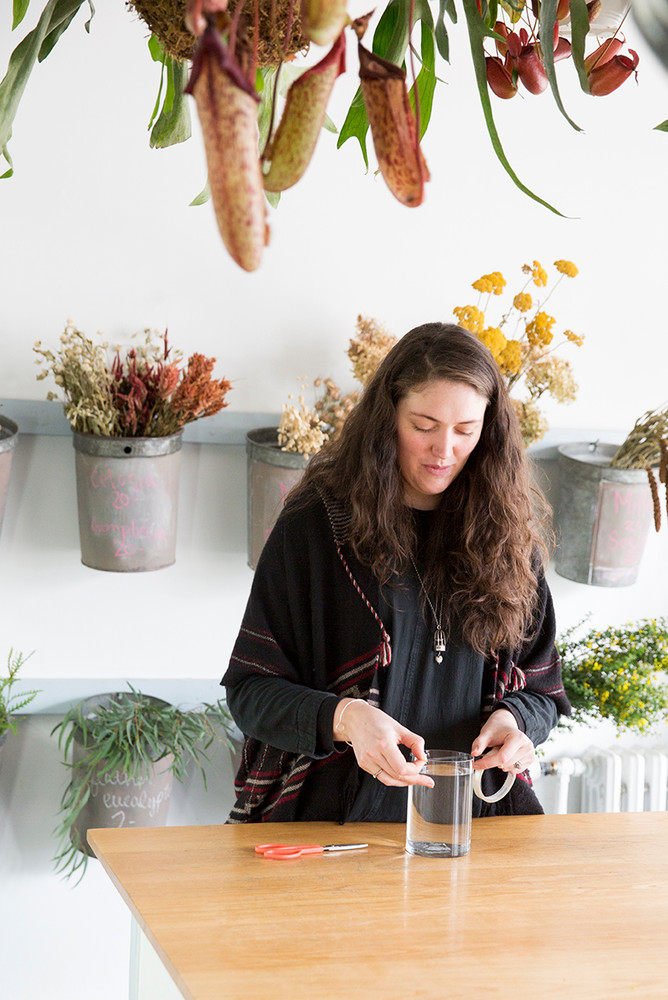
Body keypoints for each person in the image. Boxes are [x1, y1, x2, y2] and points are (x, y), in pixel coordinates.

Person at [222, 322, 570, 823]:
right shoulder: (317, 526)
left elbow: (543, 691)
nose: (443, 450)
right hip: (329, 830)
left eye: (466, 431)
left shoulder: (506, 536)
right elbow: (250, 692)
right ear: (387, 419)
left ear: (488, 431)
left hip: (472, 831)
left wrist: (514, 722)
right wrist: (345, 718)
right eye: (423, 425)